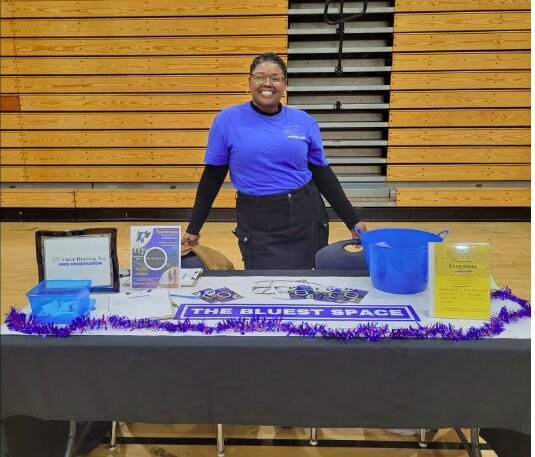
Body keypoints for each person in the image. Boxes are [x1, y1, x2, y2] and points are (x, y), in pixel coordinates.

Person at [182, 52, 367, 269]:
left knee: (307, 280)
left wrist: (352, 220)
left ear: (285, 84)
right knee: (263, 281)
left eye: (275, 78)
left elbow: (322, 173)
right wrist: (194, 227)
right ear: (250, 82)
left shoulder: (304, 121)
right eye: (260, 77)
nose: (267, 84)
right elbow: (212, 177)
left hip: (306, 214)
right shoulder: (227, 120)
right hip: (257, 219)